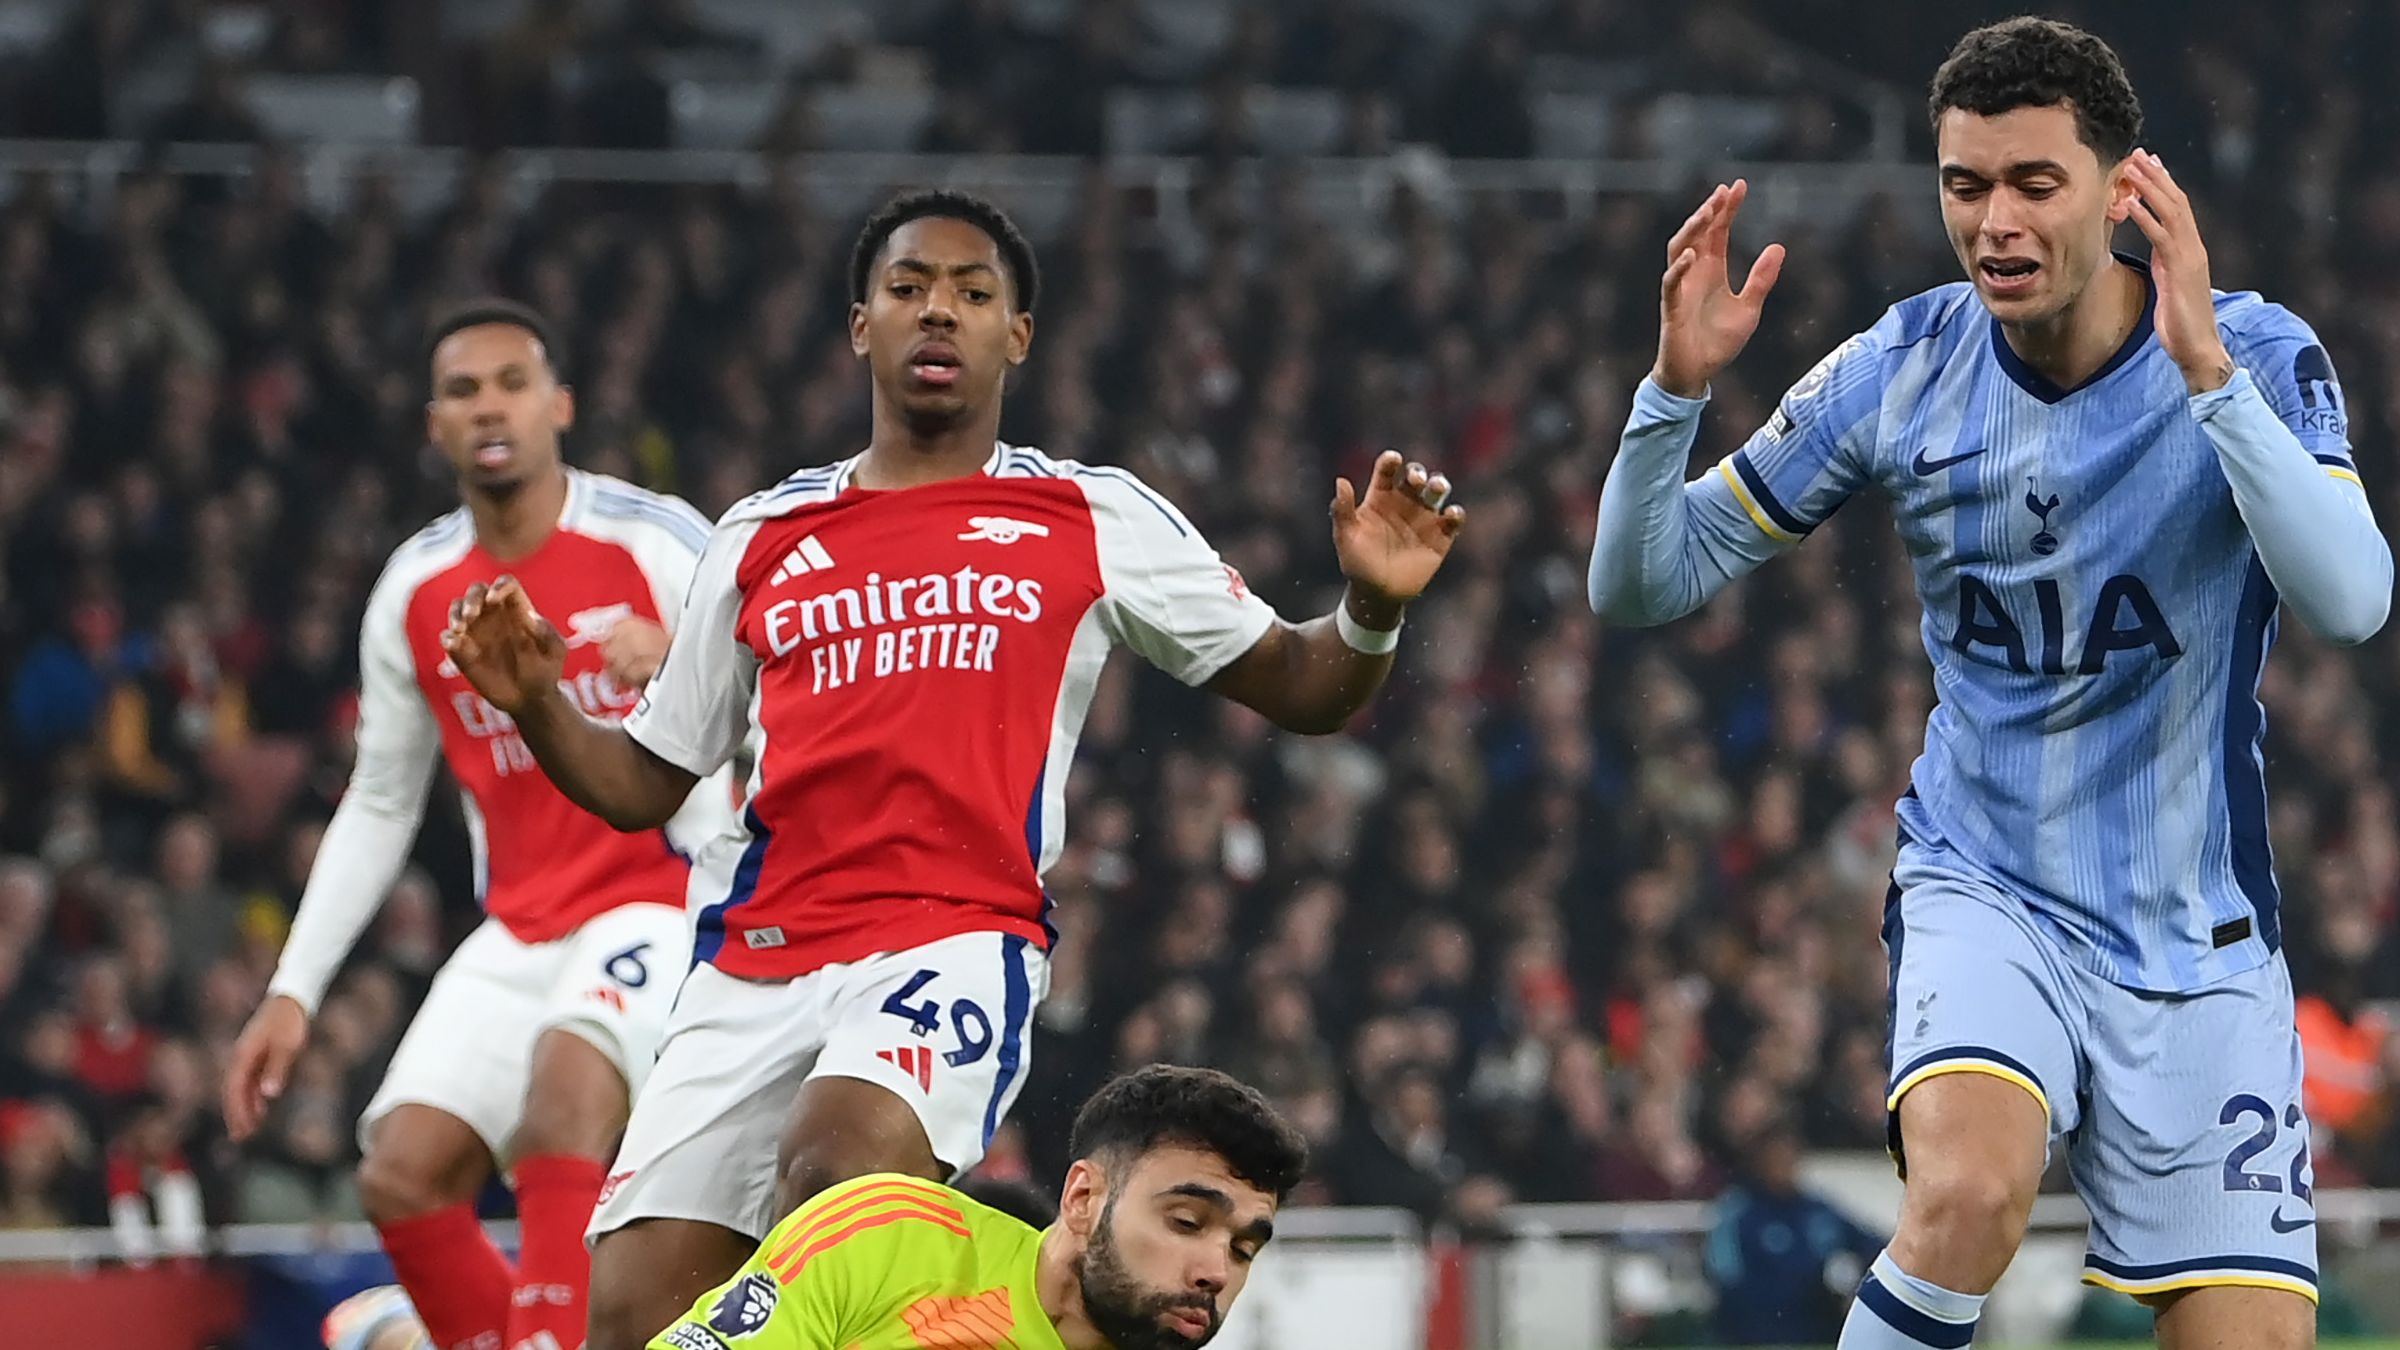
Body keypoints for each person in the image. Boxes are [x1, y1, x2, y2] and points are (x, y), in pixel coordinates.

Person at [440, 188, 1466, 1350]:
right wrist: (535, 701)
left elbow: (1304, 684)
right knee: (632, 1318)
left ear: (1016, 336)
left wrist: (1372, 606)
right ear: (861, 325)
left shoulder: (1088, 515)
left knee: (834, 1179)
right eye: (909, 288)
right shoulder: (762, 536)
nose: (940, 311)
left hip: (948, 939)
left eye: (974, 294)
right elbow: (644, 781)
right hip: (752, 962)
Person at [1588, 18, 2390, 1350]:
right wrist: (1672, 393)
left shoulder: (2252, 350)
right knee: (1966, 1195)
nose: (1994, 222)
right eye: (1965, 186)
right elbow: (1642, 583)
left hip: (2200, 942)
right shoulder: (1898, 368)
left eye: (2033, 183)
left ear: (2121, 189)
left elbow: (2352, 602)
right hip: (1989, 887)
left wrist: (2205, 374)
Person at [224, 300, 736, 1350]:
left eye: (512, 384)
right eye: (463, 391)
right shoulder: (415, 590)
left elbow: (797, 691)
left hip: (669, 894)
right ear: (436, 425)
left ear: (560, 406)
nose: (488, 407)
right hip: (521, 926)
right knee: (400, 1173)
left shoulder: (656, 538)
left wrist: (690, 667)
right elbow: (380, 800)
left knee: (565, 1098)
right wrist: (292, 989)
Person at [646, 1063, 1307, 1350]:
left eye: (1243, 1249)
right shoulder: (891, 1236)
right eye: (1186, 1223)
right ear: (1083, 1199)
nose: (1216, 1272)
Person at [1705, 1119, 1885, 1346]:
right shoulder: (1738, 1213)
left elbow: (1874, 1246)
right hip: (1759, 1336)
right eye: (1776, 1157)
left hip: (1821, 1334)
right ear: (1758, 1161)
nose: (1785, 1165)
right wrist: (1804, 1289)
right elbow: (1729, 1280)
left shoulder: (1817, 1210)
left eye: (1790, 1156)